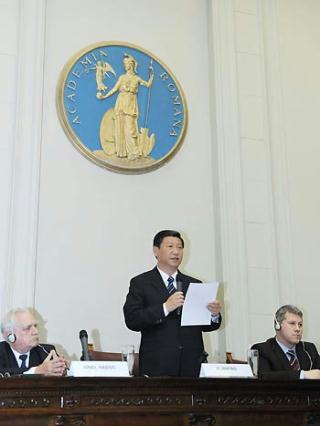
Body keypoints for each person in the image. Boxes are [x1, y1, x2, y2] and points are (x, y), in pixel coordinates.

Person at [123, 230, 222, 377]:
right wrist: (165, 307)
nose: (176, 252)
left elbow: (208, 326)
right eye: (170, 246)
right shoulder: (141, 283)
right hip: (157, 366)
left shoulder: (194, 284)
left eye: (180, 247)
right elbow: (132, 320)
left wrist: (213, 315)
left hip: (192, 366)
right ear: (156, 251)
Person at [97, 53, 154, 160]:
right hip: (121, 103)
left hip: (131, 104)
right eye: (124, 64)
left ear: (131, 65)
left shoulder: (136, 78)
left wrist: (151, 75)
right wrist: (104, 96)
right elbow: (114, 89)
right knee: (121, 127)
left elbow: (148, 85)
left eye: (126, 63)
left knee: (131, 128)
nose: (124, 66)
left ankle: (134, 151)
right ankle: (124, 152)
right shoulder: (122, 77)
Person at [251, 305, 320, 380]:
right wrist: (302, 375)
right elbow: (264, 376)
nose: (298, 329)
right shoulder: (262, 350)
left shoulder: (309, 349)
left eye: (300, 324)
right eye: (292, 323)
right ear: (278, 326)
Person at [0, 308, 67, 376]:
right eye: (28, 328)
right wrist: (36, 371)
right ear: (10, 335)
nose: (36, 331)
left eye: (35, 326)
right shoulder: (1, 351)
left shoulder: (46, 351)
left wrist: (62, 369)